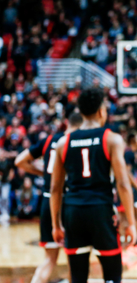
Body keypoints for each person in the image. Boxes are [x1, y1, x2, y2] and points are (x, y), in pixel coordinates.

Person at [49, 88, 137, 283]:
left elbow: (55, 188)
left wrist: (56, 224)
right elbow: (123, 184)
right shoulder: (111, 139)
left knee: (78, 278)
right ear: (101, 111)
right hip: (100, 211)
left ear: (80, 112)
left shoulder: (64, 143)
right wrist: (130, 223)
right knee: (112, 276)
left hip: (73, 212)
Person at [14, 112, 83, 283]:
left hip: (47, 202)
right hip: (69, 202)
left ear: (66, 123)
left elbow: (19, 161)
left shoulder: (49, 140)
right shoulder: (79, 141)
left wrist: (43, 173)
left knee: (49, 260)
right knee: (73, 261)